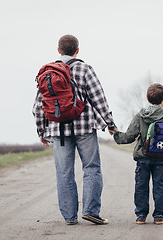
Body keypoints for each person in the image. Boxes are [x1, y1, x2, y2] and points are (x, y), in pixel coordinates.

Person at [32, 34, 117, 225]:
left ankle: (69, 217)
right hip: (84, 127)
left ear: (58, 50)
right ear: (77, 50)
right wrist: (110, 124)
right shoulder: (85, 69)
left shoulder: (47, 73)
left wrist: (41, 131)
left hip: (58, 130)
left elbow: (38, 106)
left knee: (64, 172)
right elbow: (99, 99)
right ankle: (90, 211)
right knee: (92, 168)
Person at [112, 83, 163, 225]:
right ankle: (159, 216)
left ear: (146, 97)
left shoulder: (140, 115)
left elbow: (128, 137)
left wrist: (116, 135)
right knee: (160, 186)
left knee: (141, 186)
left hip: (143, 157)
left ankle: (141, 216)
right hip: (160, 158)